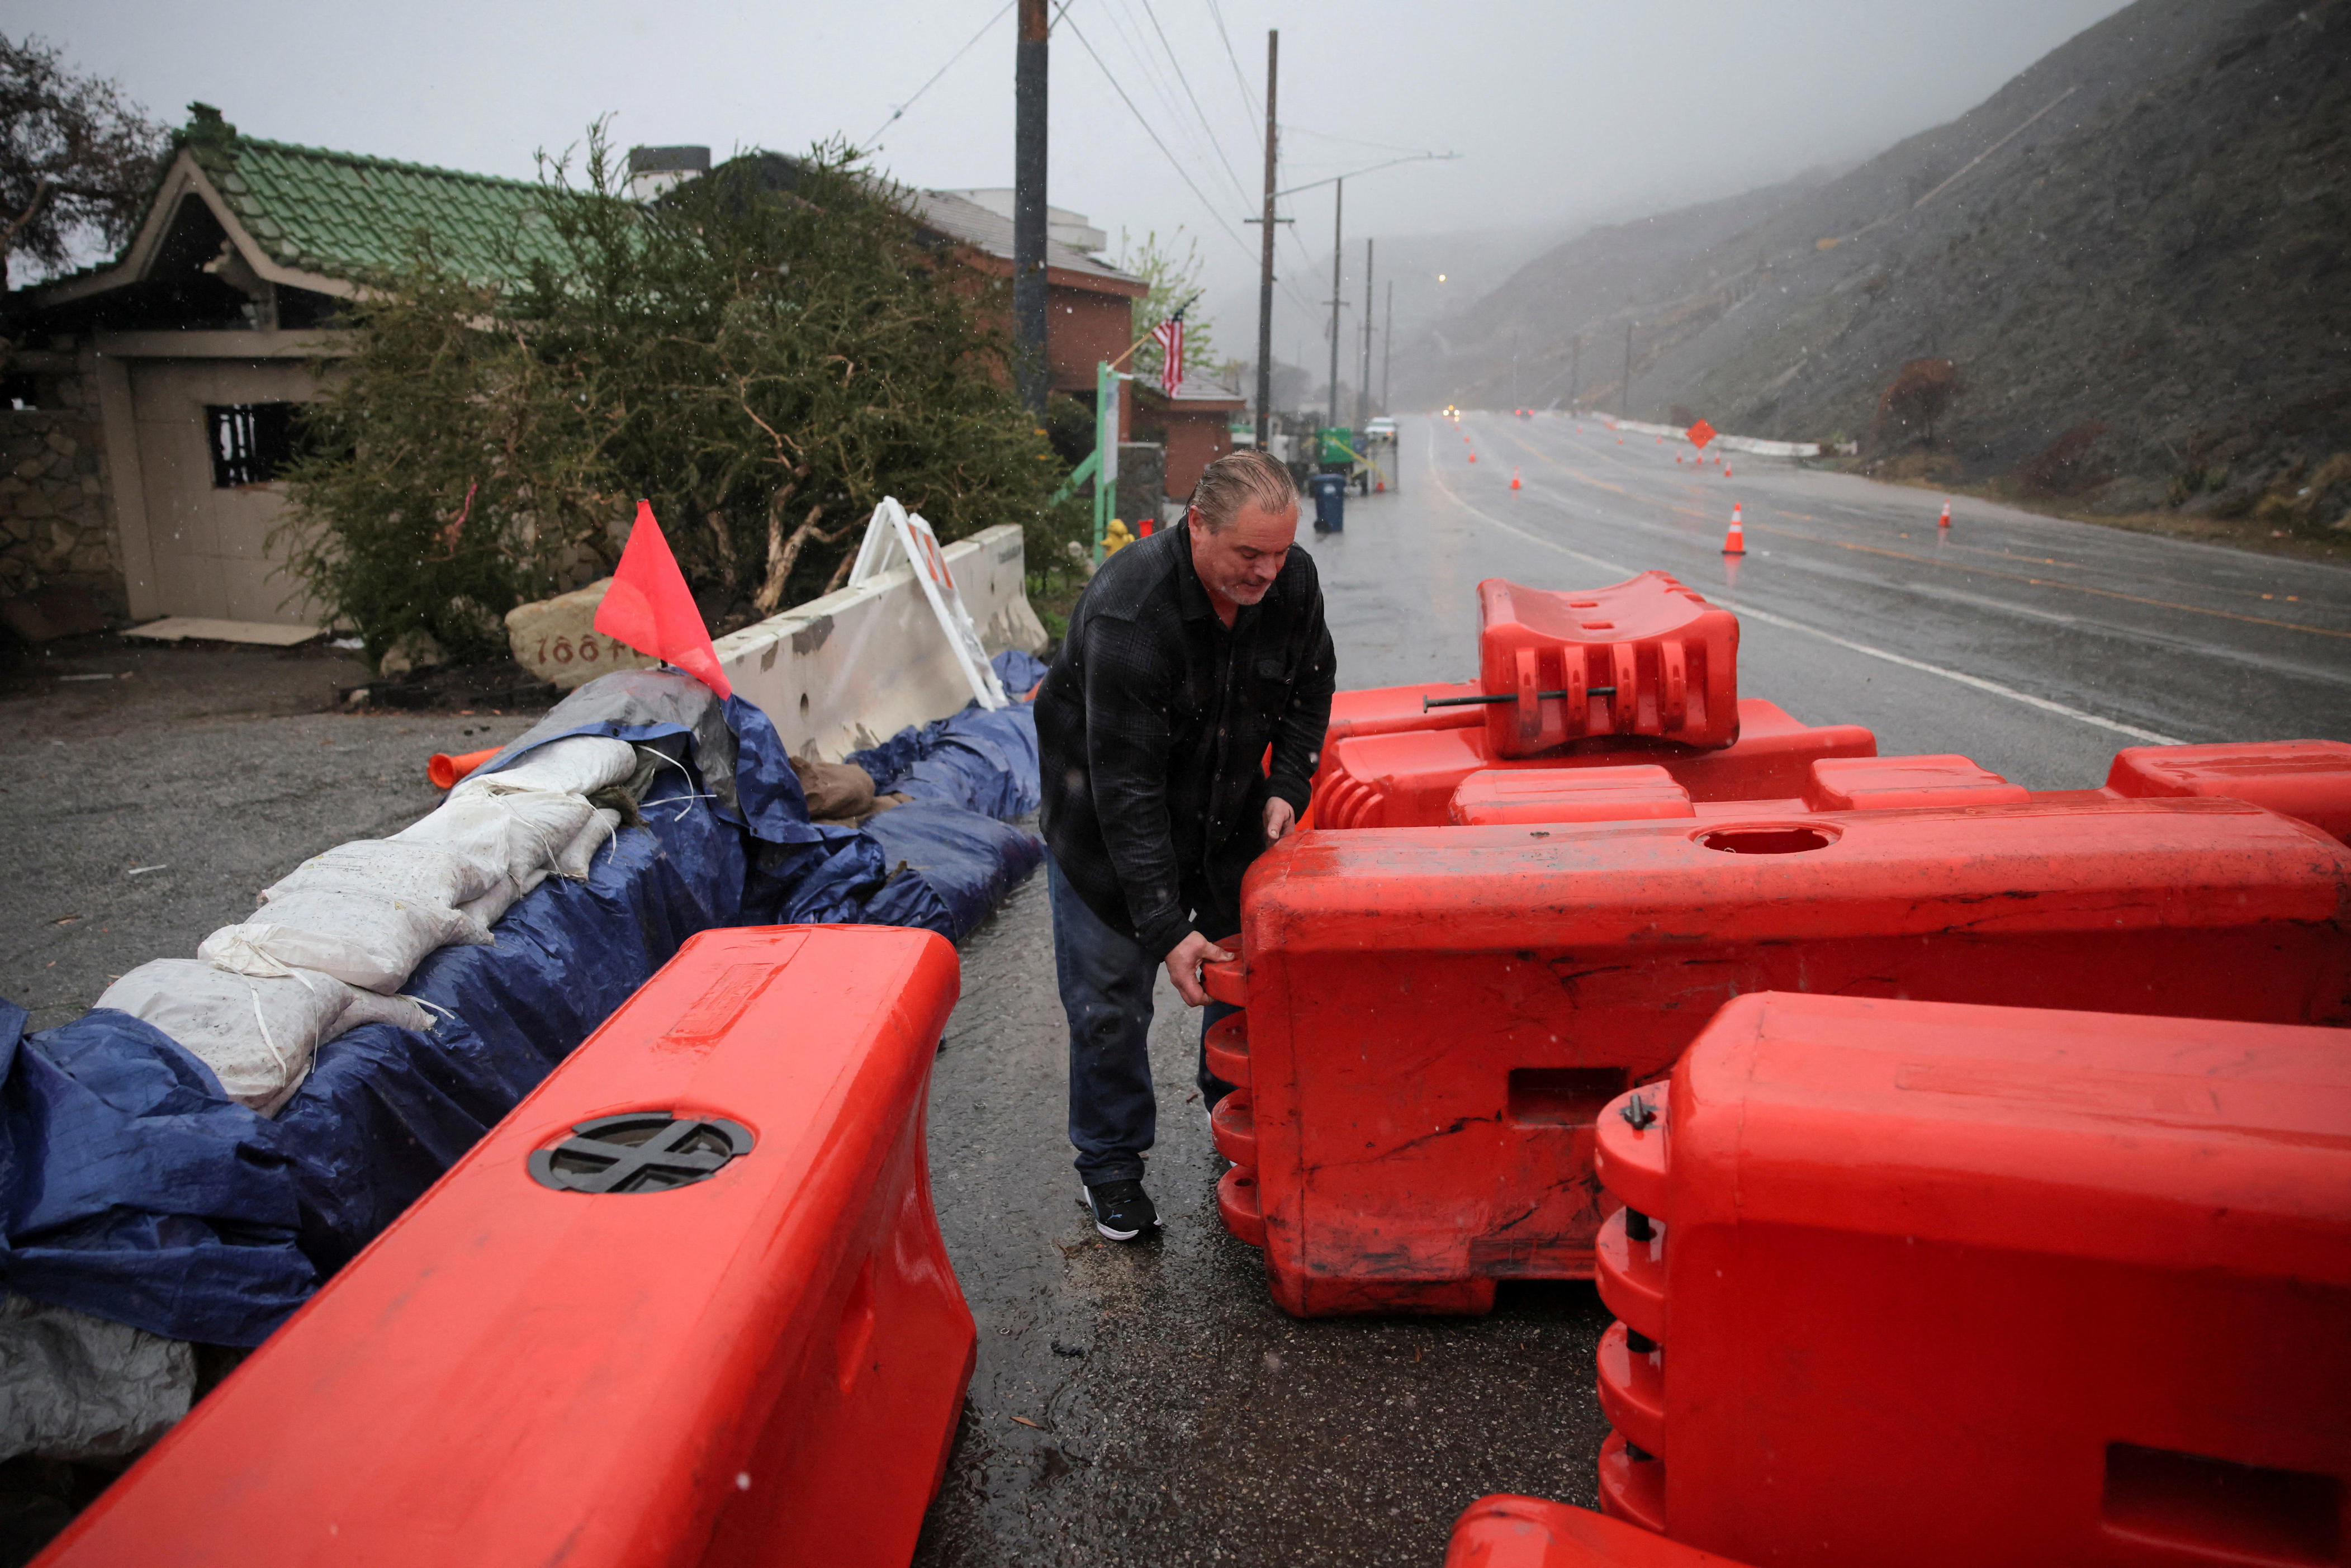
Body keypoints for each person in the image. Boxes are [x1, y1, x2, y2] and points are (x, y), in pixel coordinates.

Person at [1035, 448, 1336, 1241]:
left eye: (1278, 552)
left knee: (1240, 979)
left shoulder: (1291, 582)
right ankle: (1110, 1165)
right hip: (1105, 830)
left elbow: (1311, 683)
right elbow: (1125, 793)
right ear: (1196, 524)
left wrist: (1288, 784)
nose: (1267, 572)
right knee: (1111, 1005)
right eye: (1248, 554)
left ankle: (1226, 1099)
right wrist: (1166, 929)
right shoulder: (1130, 614)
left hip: (1227, 810)